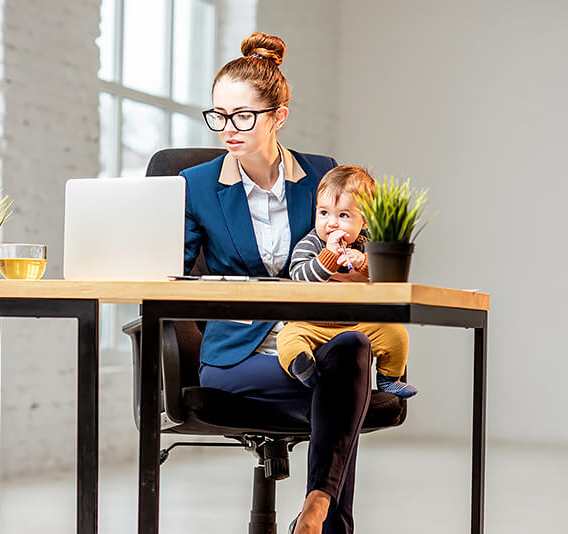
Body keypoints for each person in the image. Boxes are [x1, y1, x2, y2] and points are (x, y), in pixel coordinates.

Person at [180, 32, 407, 534]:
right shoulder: (196, 185)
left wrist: (359, 259)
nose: (227, 129)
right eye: (218, 115)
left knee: (351, 349)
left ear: (278, 115)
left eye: (243, 116)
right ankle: (324, 517)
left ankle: (315, 507)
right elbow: (169, 271)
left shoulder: (323, 176)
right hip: (239, 356)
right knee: (342, 401)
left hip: (319, 340)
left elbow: (357, 238)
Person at [277, 165, 417, 398]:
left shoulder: (367, 246)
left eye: (343, 215)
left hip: (358, 324)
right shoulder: (311, 244)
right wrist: (328, 258)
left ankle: (388, 379)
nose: (331, 223)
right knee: (288, 338)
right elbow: (299, 276)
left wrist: (363, 262)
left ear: (364, 221)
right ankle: (304, 369)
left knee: (396, 334)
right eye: (323, 213)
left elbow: (386, 280)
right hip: (311, 324)